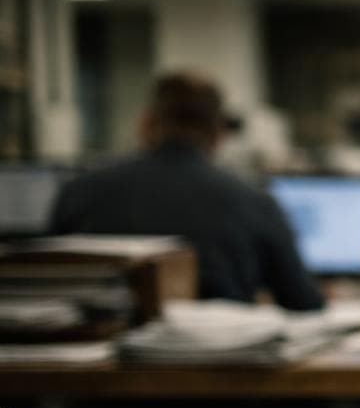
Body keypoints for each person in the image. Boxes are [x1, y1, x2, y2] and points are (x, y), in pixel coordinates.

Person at [49, 72, 324, 311]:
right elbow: (302, 303)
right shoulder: (255, 201)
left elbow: (44, 285)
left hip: (97, 353)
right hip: (218, 353)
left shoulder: (78, 191)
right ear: (219, 133)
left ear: (146, 124)